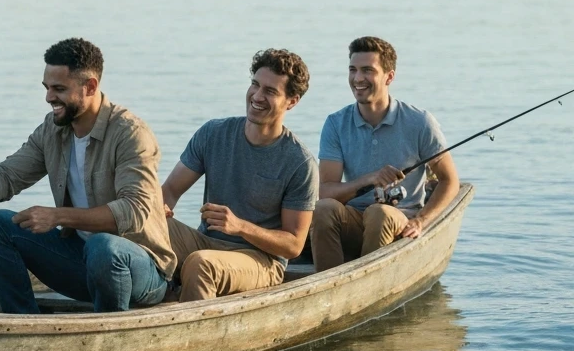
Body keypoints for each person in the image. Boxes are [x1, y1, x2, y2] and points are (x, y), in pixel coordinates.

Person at [0, 38, 176, 314]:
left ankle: (109, 332)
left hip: (142, 271)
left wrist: (57, 216)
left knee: (103, 246)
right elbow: (6, 177)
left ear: (90, 86)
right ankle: (21, 325)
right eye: (46, 88)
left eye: (59, 89)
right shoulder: (53, 129)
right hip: (81, 263)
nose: (48, 98)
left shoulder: (131, 133)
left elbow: (133, 211)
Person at [161, 49, 318, 302]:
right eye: (255, 85)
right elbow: (169, 191)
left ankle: (191, 335)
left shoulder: (300, 163)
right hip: (206, 241)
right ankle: (155, 299)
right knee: (141, 223)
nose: (257, 96)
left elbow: (293, 245)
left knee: (201, 264)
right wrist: (159, 209)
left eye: (270, 91)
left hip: (260, 260)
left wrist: (240, 227)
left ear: (292, 101)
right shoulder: (213, 133)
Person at [311, 36, 460, 271]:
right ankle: (326, 284)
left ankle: (366, 287)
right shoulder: (336, 123)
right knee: (323, 209)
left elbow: (449, 181)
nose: (358, 78)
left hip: (399, 220)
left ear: (389, 76)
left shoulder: (420, 122)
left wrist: (421, 220)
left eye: (368, 70)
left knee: (379, 213)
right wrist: (369, 179)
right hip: (355, 218)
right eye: (353, 70)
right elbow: (326, 191)